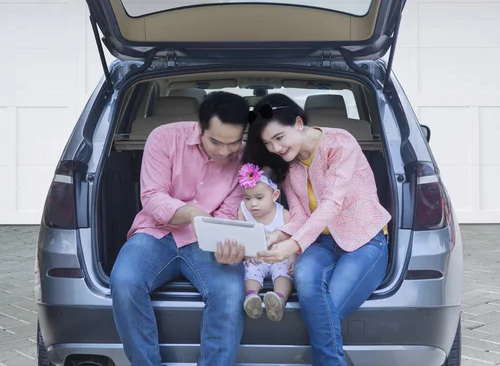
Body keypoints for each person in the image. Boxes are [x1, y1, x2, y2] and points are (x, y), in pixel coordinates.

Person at [243, 93, 390, 366]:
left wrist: (292, 245)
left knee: (324, 307)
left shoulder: (340, 142)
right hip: (320, 244)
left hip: (364, 240)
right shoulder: (288, 162)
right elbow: (299, 214)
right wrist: (279, 235)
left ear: (298, 123)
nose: (275, 148)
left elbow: (332, 202)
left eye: (279, 137)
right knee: (309, 289)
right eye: (267, 143)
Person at [110, 91, 249, 366]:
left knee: (231, 292)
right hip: (155, 233)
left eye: (233, 143)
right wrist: (191, 214)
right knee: (124, 281)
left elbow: (229, 211)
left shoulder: (245, 158)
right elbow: (152, 196)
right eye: (216, 142)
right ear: (200, 128)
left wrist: (226, 242)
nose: (224, 151)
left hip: (206, 240)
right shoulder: (163, 138)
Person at [237, 163, 293, 322]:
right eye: (247, 198)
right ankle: (251, 298)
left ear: (274, 195)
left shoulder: (284, 214)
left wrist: (293, 261)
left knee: (283, 273)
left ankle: (279, 299)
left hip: (279, 257)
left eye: (259, 198)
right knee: (250, 270)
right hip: (257, 257)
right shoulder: (243, 210)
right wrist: (247, 255)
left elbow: (291, 239)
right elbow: (242, 234)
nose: (252, 203)